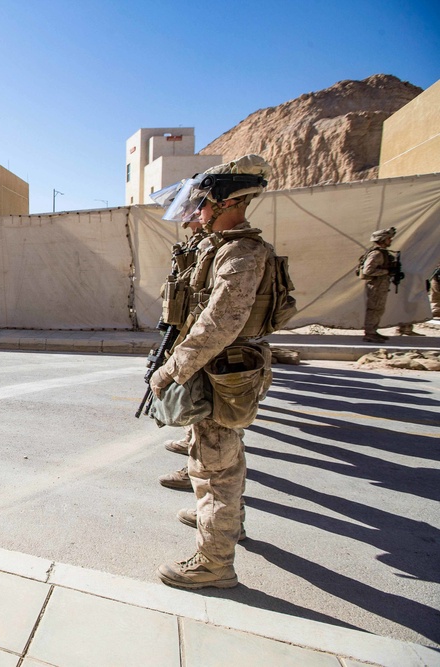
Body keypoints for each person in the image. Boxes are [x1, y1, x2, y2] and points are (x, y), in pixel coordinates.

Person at [151, 155, 274, 590]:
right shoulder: (222, 247)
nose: (195, 212)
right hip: (218, 367)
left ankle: (214, 562)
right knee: (222, 454)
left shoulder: (241, 253)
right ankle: (227, 523)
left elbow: (219, 323)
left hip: (222, 370)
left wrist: (171, 370)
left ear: (226, 203)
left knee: (215, 466)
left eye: (201, 203)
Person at [157, 213, 208, 492]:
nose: (190, 221)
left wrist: (170, 370)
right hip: (191, 334)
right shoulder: (204, 246)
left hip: (206, 346)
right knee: (203, 420)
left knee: (212, 430)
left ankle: (211, 499)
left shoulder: (225, 250)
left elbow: (215, 324)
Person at [359, 228, 400, 343]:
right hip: (376, 285)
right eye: (388, 238)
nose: (390, 240)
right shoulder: (376, 254)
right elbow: (368, 271)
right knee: (374, 309)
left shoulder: (382, 252)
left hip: (380, 285)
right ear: (382, 239)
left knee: (378, 309)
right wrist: (387, 271)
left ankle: (373, 330)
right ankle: (369, 333)